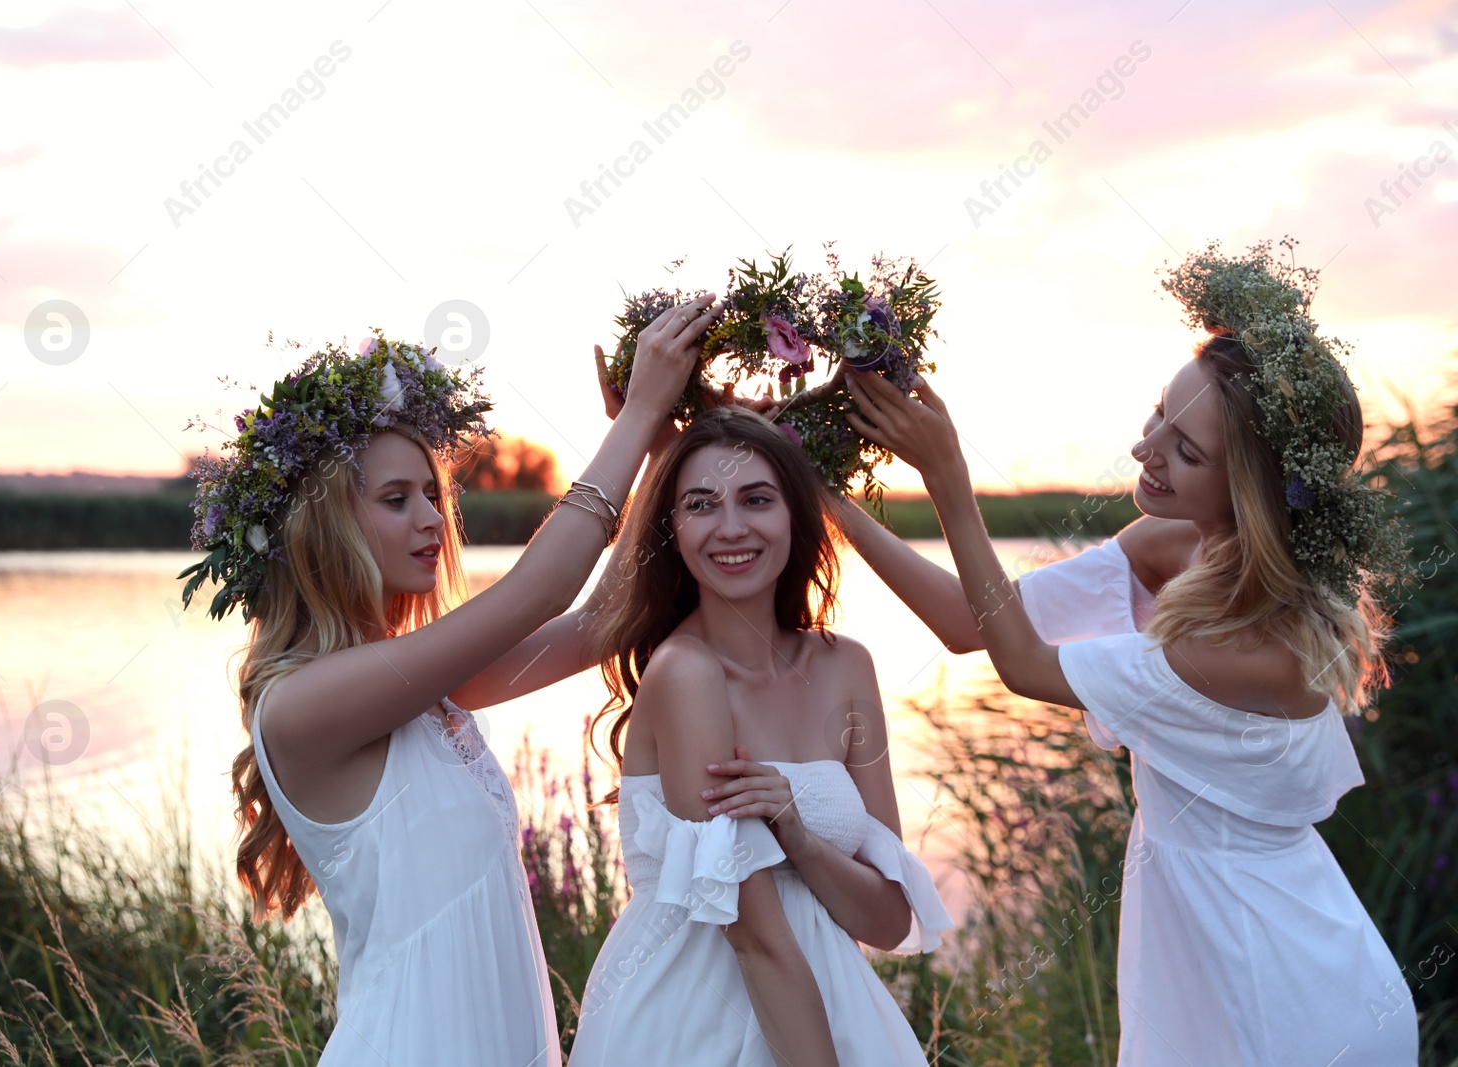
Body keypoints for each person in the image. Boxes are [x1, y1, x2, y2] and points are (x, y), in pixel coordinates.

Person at [841, 243, 1417, 1065]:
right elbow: (976, 623)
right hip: (1205, 940)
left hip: (1280, 987)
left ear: (1248, 488)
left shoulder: (1258, 649)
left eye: (1187, 451)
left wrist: (948, 477)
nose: (1148, 450)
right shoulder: (1169, 542)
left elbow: (1025, 667)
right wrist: (822, 494)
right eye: (1159, 416)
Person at [177, 297, 718, 1067]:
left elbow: (601, 617)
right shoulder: (302, 704)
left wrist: (662, 450)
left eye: (433, 493)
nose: (431, 517)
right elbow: (542, 588)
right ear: (322, 525)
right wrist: (635, 415)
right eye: (397, 499)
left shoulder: (419, 686)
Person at [556, 407, 952, 1067]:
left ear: (796, 514)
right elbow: (755, 941)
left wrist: (797, 834)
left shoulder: (846, 666)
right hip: (695, 1020)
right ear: (673, 529)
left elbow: (887, 921)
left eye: (757, 499)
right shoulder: (685, 675)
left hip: (833, 1004)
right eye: (701, 504)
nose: (731, 527)